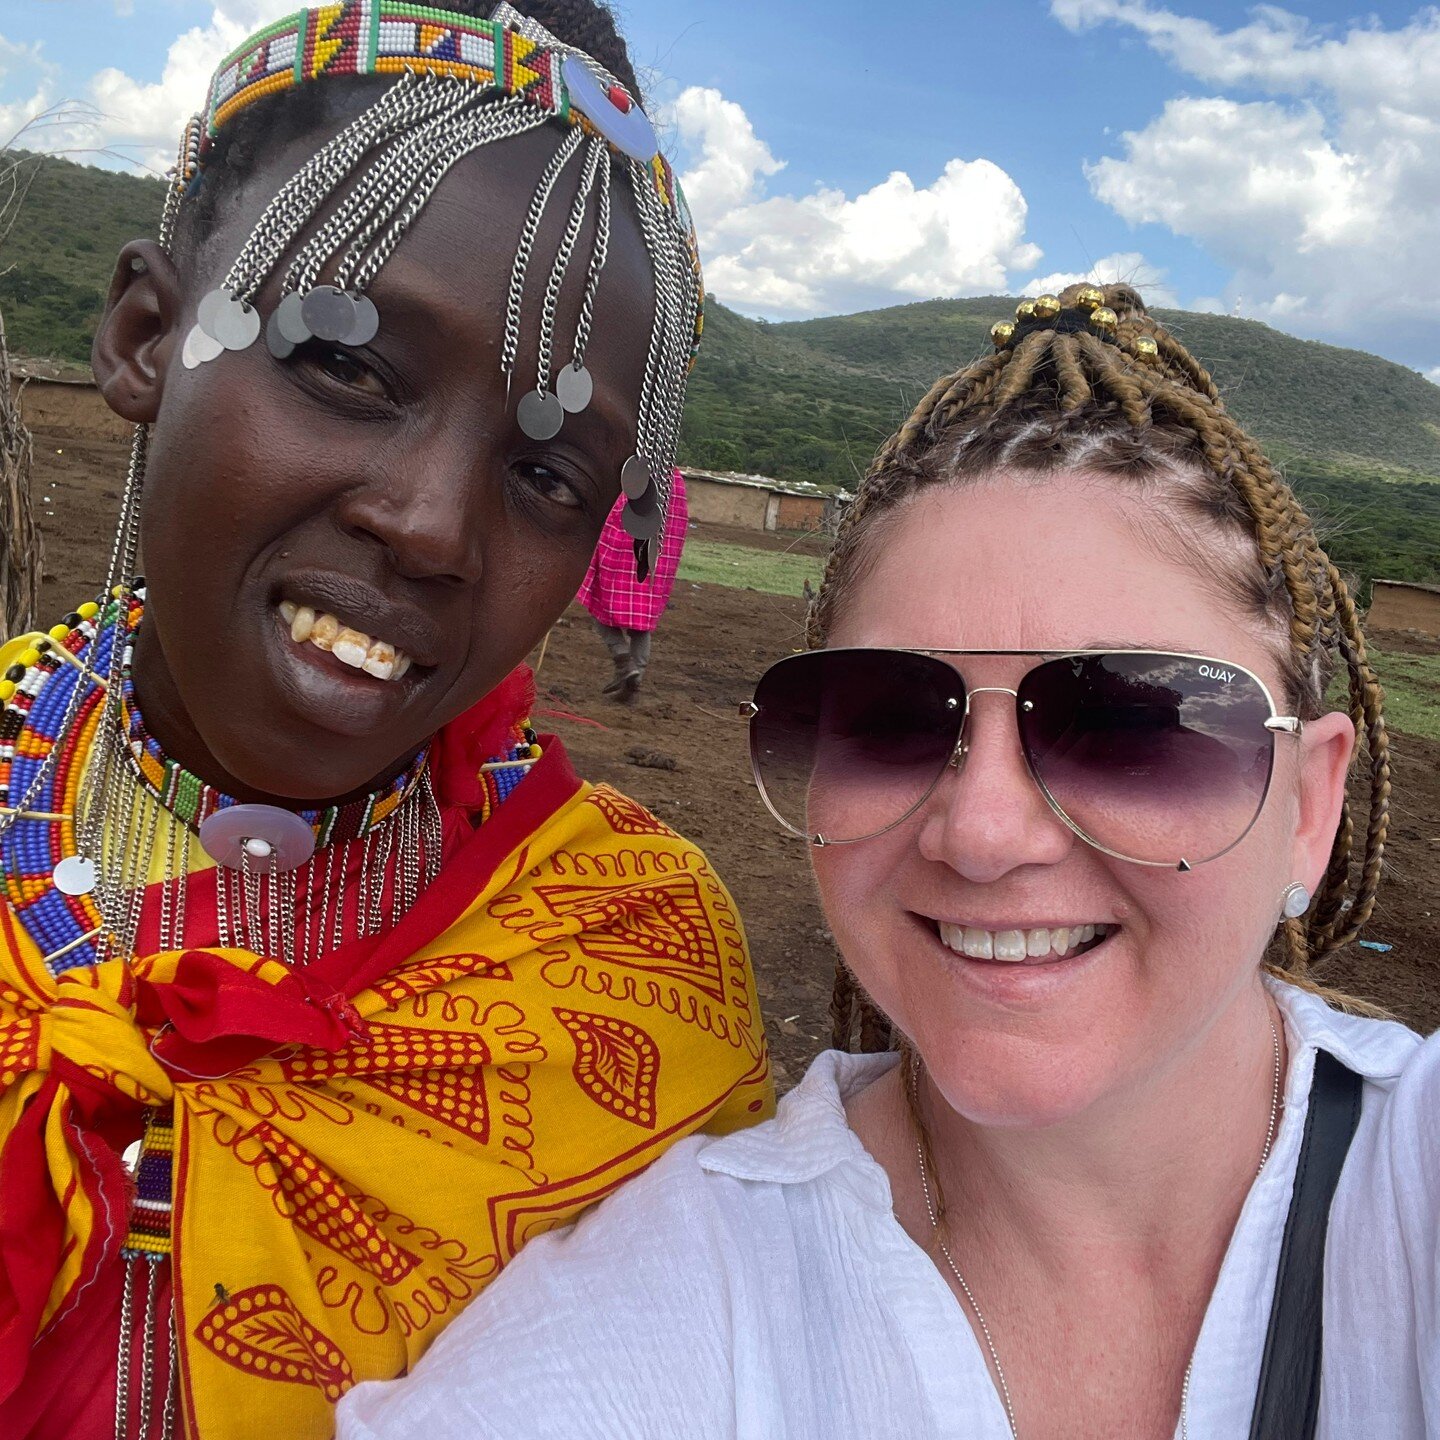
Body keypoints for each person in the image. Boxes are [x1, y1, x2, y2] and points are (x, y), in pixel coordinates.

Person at [334, 285, 1439, 1440]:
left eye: (1133, 725)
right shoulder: (677, 1298)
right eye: (888, 716)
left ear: (1309, 805)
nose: (982, 834)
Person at [0, 7, 774, 1439]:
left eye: (545, 472)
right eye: (347, 366)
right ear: (144, 338)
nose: (429, 527)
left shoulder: (630, 964)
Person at [577, 467, 689, 702]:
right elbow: (677, 525)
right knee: (642, 618)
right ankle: (635, 673)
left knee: (596, 600)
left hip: (623, 549)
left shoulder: (631, 471)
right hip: (655, 555)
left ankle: (623, 662)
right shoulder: (673, 478)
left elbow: (613, 512)